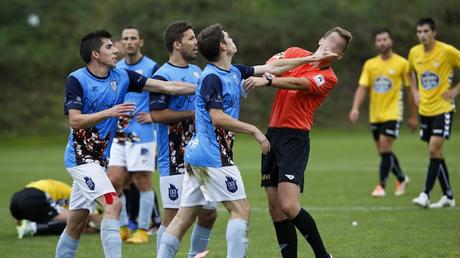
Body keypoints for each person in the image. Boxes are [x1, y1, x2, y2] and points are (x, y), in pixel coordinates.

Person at [156, 23, 338, 258]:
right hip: (213, 156)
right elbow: (217, 117)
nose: (232, 39)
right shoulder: (211, 77)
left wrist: (310, 58)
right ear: (223, 46)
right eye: (228, 37)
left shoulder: (233, 71)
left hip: (197, 155)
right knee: (241, 210)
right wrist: (254, 130)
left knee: (184, 217)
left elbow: (274, 67)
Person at [56, 30, 195, 258]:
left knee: (76, 222)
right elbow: (75, 120)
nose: (116, 50)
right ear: (95, 54)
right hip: (80, 160)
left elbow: (165, 87)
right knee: (113, 204)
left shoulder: (122, 76)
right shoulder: (77, 79)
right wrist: (109, 112)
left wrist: (201, 89)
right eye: (110, 47)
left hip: (100, 161)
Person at [244, 27, 352, 258]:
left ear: (338, 56)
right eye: (329, 41)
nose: (330, 47)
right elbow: (272, 65)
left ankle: (323, 255)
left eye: (337, 48)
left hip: (295, 137)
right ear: (320, 39)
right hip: (273, 134)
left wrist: (270, 81)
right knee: (274, 208)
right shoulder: (294, 52)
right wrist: (276, 73)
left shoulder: (329, 77)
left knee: (289, 206)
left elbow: (299, 84)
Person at [149, 21, 217, 257]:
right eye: (191, 38)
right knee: (173, 215)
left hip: (199, 155)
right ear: (177, 44)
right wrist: (193, 113)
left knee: (209, 211)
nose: (196, 42)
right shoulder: (162, 75)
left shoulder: (197, 71)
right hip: (174, 157)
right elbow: (157, 114)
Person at [107, 26, 161, 244]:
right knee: (114, 180)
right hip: (119, 133)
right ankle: (122, 227)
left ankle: (142, 229)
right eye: (125, 38)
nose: (129, 42)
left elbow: (163, 93)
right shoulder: (116, 68)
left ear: (140, 42)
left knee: (142, 181)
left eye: (133, 38)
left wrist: (153, 115)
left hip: (143, 133)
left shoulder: (151, 67)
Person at [349, 29, 416, 197]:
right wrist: (355, 108)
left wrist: (414, 115)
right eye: (379, 40)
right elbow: (362, 87)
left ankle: (381, 185)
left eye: (385, 39)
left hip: (393, 112)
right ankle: (401, 177)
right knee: (383, 151)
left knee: (385, 146)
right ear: (376, 43)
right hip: (375, 114)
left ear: (391, 41)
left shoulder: (402, 63)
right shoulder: (370, 64)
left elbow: (410, 90)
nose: (382, 42)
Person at [409, 18, 460, 208]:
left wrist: (455, 91)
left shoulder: (447, 51)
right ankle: (448, 195)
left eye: (426, 31)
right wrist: (414, 92)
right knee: (436, 152)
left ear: (434, 33)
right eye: (419, 31)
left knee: (433, 149)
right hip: (425, 110)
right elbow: (409, 73)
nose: (422, 35)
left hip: (443, 109)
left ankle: (425, 194)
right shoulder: (414, 52)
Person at [10, 179, 100, 238]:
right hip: (35, 197)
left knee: (66, 219)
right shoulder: (74, 194)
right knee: (74, 221)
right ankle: (33, 228)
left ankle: (29, 223)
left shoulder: (64, 191)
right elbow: (89, 215)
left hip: (17, 199)